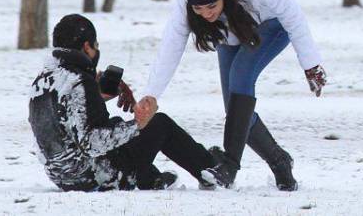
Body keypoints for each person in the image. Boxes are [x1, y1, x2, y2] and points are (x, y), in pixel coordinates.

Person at [141, 0, 328, 190]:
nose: (206, 14)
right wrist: (152, 94)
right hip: (230, 33)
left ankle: (229, 166)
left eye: (211, 6)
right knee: (236, 110)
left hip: (272, 25)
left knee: (241, 78)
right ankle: (279, 161)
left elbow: (293, 14)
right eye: (198, 8)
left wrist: (311, 65)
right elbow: (172, 44)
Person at [28, 14, 226, 191]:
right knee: (159, 124)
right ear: (87, 47)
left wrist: (97, 96)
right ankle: (211, 169)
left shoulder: (43, 81)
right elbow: (91, 143)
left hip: (63, 177)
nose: (97, 50)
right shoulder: (80, 82)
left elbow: (63, 125)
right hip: (95, 177)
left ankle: (151, 179)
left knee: (115, 124)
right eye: (96, 45)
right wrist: (138, 123)